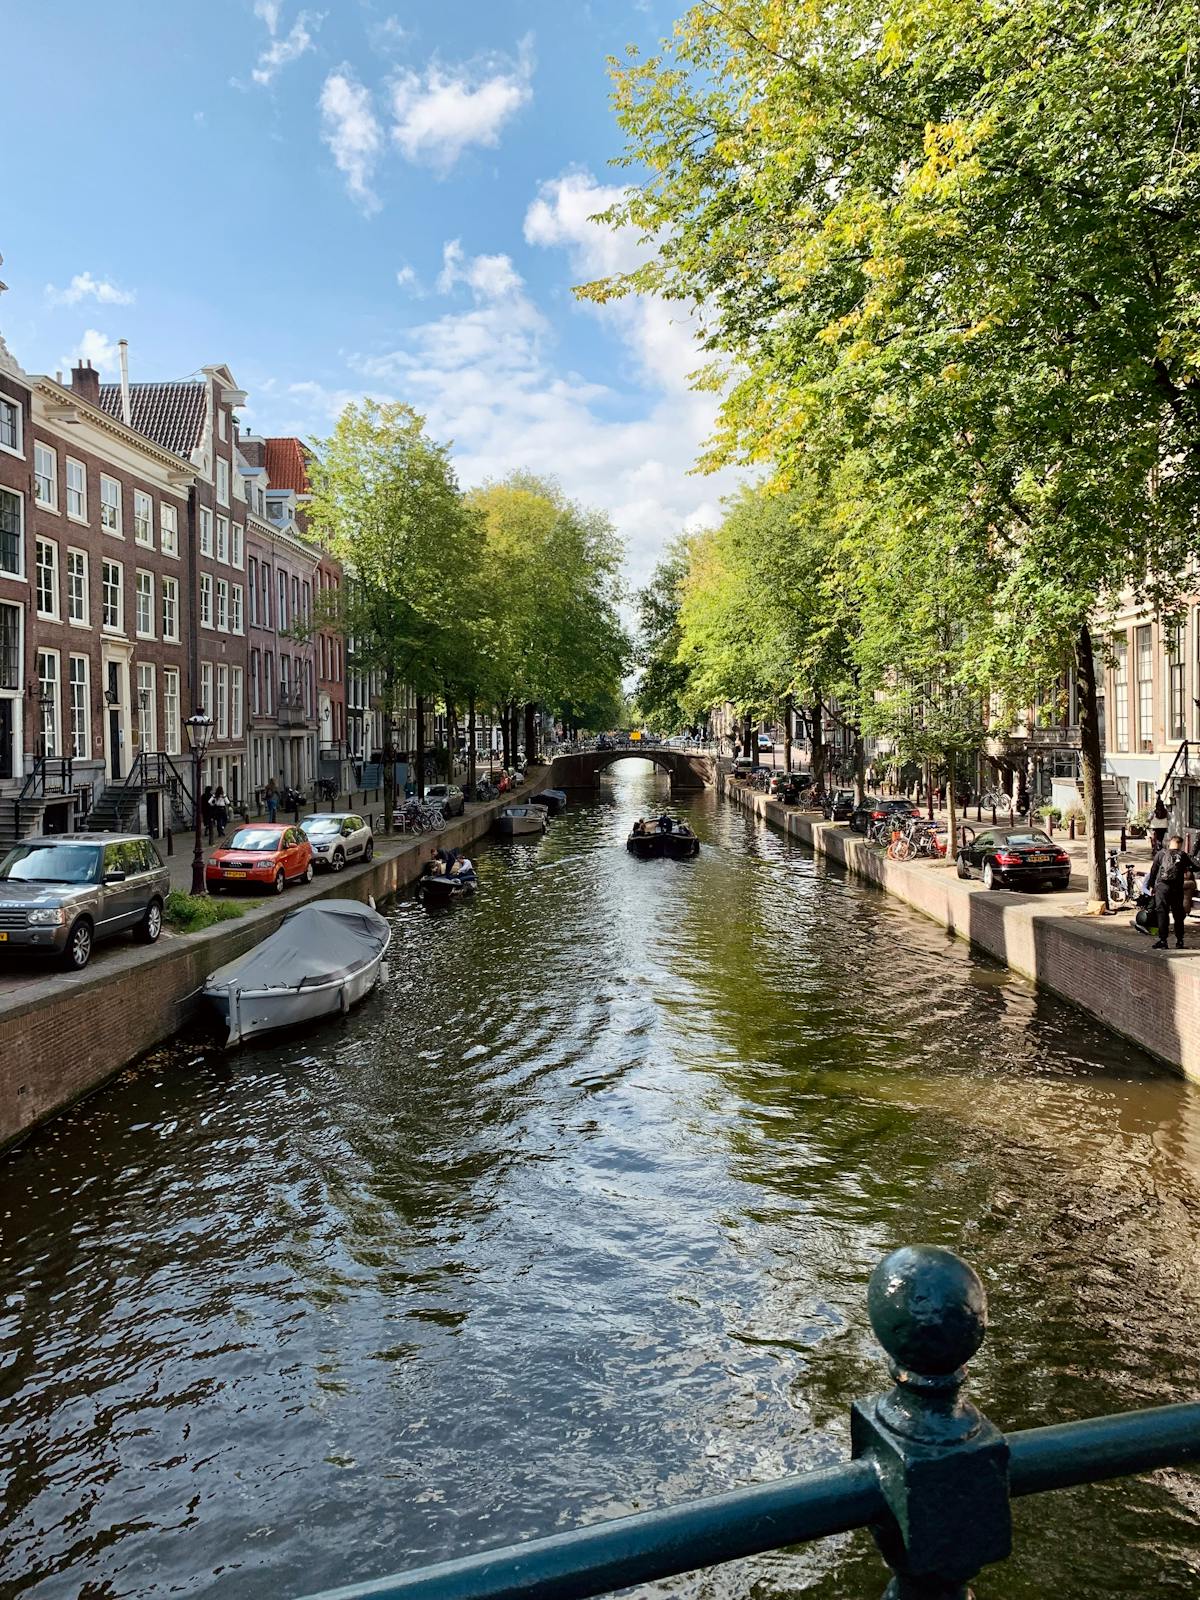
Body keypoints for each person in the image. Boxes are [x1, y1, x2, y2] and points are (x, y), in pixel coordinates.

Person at [1145, 833, 1197, 950]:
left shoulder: (1161, 854)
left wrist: (1151, 885)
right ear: (1180, 845)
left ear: (1170, 843)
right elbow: (1197, 866)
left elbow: (1153, 870)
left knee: (1162, 913)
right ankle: (1179, 941)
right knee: (1178, 915)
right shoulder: (1183, 855)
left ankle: (1163, 940)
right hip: (1177, 889)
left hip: (1162, 888)